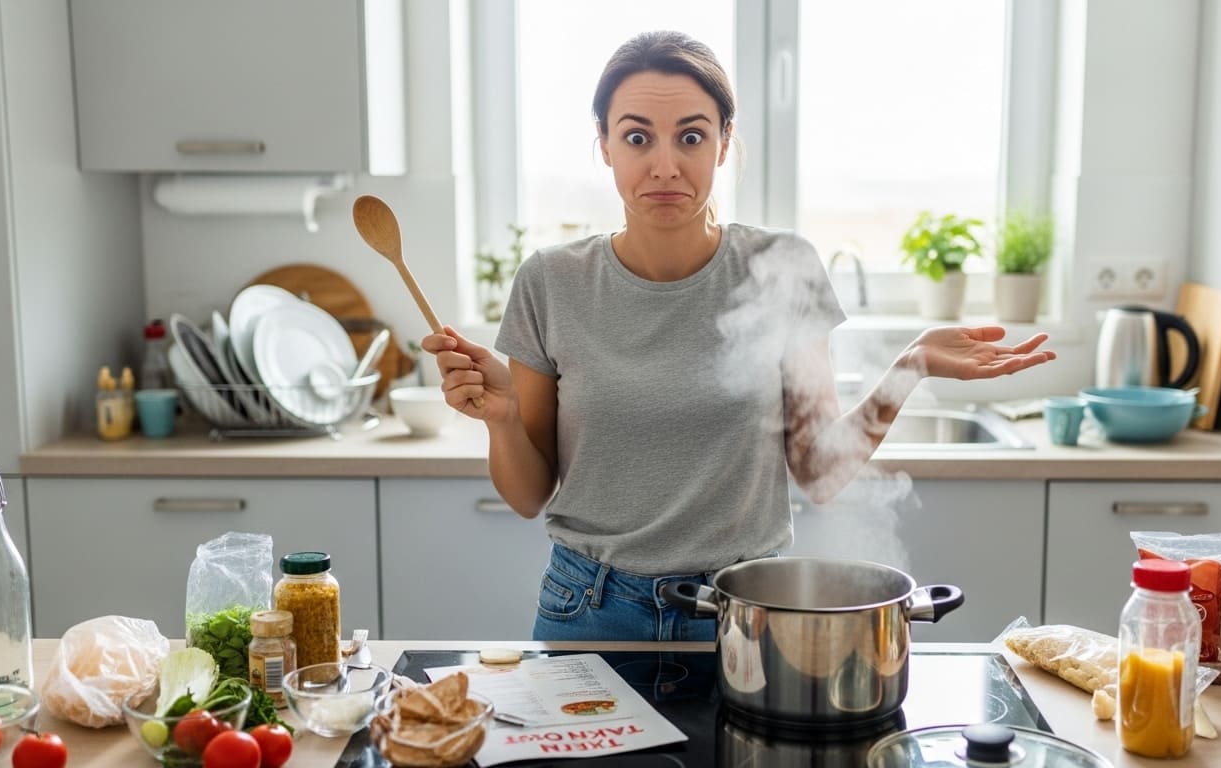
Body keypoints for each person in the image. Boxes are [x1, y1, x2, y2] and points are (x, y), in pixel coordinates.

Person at [426, 30, 1055, 642]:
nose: (665, 165)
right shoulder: (551, 280)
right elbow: (529, 496)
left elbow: (821, 473)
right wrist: (503, 421)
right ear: (605, 144)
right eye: (637, 137)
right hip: (589, 609)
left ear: (724, 143)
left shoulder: (783, 267)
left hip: (746, 613)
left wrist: (910, 366)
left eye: (691, 136)